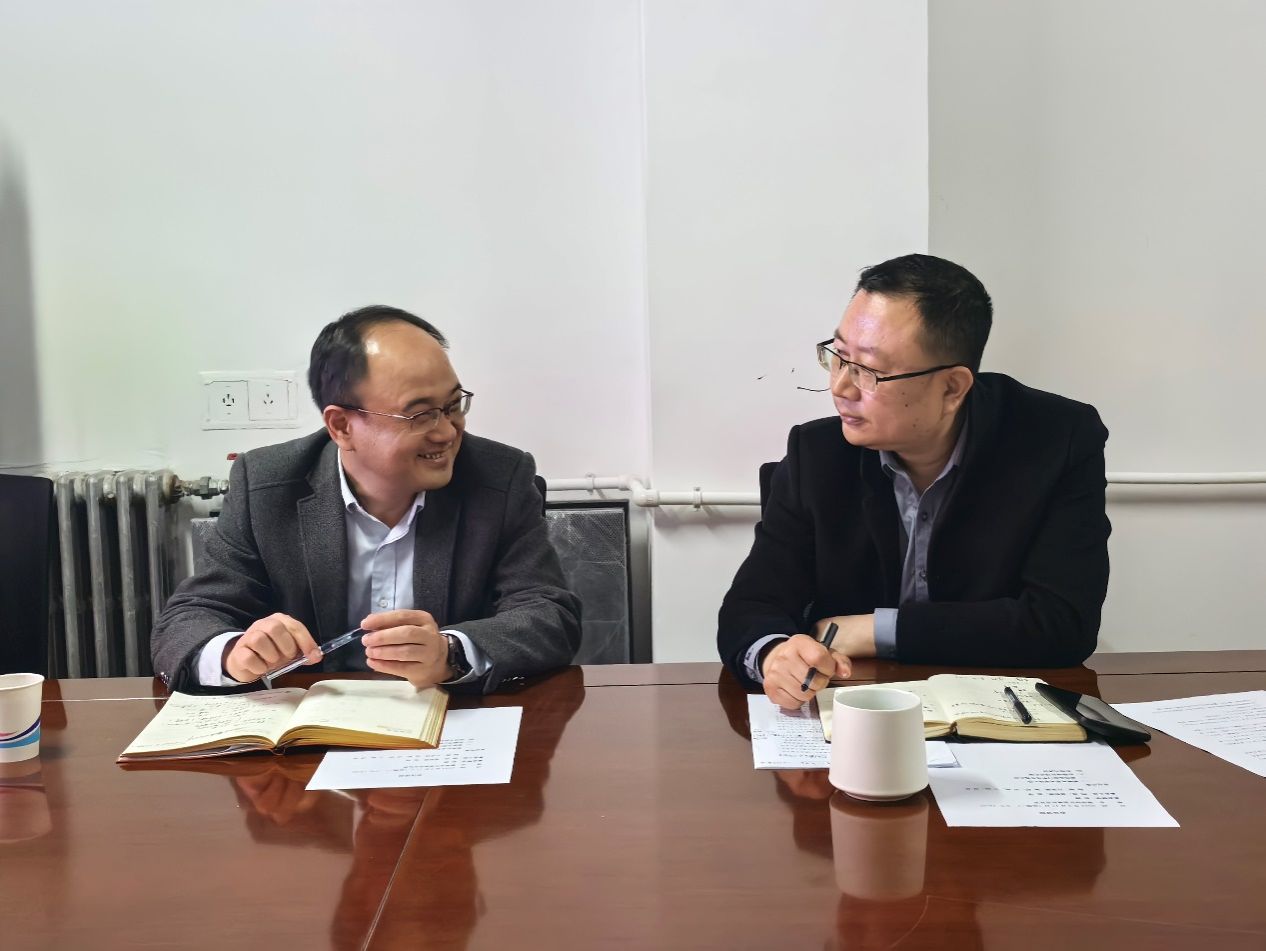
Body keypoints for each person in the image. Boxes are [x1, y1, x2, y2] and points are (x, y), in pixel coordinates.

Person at [718, 254, 1110, 709]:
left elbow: (1062, 624)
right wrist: (774, 654)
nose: (841, 388)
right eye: (838, 357)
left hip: (999, 712)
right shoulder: (817, 455)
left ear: (952, 388)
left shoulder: (1055, 441)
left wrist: (873, 630)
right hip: (856, 710)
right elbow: (750, 608)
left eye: (869, 371)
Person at [152, 305, 581, 693]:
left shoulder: (499, 478)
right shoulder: (267, 485)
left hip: (448, 725)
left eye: (453, 406)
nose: (447, 432)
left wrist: (450, 653)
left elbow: (549, 614)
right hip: (306, 734)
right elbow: (187, 620)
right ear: (341, 426)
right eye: (420, 414)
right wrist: (234, 654)